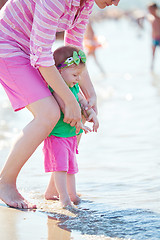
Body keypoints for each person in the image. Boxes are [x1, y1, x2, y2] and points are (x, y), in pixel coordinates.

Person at [0, 0, 120, 209]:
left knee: (79, 111)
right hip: (8, 45)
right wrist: (70, 100)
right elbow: (42, 53)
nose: (117, 2)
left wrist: (90, 94)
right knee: (48, 113)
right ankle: (5, 183)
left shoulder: (86, 2)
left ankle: (55, 187)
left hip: (33, 50)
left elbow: (74, 49)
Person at [43, 46, 99, 208]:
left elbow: (83, 103)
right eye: (75, 75)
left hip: (69, 137)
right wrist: (80, 123)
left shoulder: (73, 87)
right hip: (58, 136)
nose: (78, 79)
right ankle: (63, 197)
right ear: (59, 72)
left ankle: (72, 194)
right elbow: (66, 110)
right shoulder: (57, 90)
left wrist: (92, 115)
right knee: (60, 168)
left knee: (71, 168)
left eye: (80, 75)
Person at [147, 3, 160, 70]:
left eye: (150, 9)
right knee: (153, 55)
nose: (149, 10)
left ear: (155, 9)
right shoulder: (150, 17)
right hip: (154, 38)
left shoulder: (158, 18)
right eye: (149, 9)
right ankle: (152, 68)